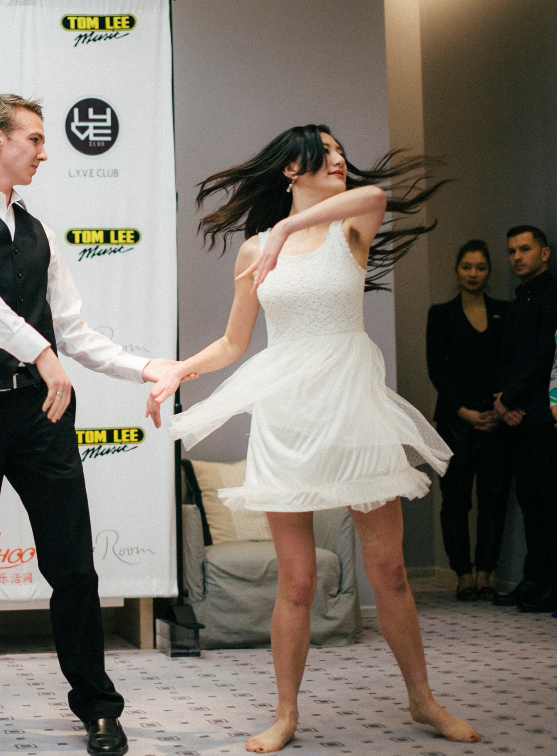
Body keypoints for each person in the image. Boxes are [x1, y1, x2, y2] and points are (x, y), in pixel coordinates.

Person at [144, 125, 479, 753]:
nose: (338, 159)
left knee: (390, 572)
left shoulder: (352, 227)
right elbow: (234, 343)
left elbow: (375, 195)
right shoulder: (254, 251)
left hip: (354, 411)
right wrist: (176, 372)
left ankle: (423, 700)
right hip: (289, 417)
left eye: (339, 151)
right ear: (290, 170)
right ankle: (285, 713)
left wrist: (290, 229)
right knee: (296, 581)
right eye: (323, 154)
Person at [0, 93, 176, 756]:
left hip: (40, 412)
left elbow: (74, 332)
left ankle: (98, 708)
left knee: (73, 565)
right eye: (33, 138)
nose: (43, 151)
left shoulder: (40, 231)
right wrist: (41, 353)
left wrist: (144, 367)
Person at [425, 240, 510, 601]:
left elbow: (511, 364)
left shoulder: (505, 312)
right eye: (467, 267)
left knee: (494, 499)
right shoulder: (440, 314)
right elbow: (437, 370)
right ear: (457, 271)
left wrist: (500, 408)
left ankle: (485, 573)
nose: (473, 274)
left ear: (488, 272)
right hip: (455, 421)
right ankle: (462, 574)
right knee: (456, 501)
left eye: (480, 267)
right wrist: (464, 412)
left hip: (497, 418)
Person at [491, 225, 557, 612]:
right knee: (530, 503)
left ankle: (550, 584)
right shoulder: (518, 300)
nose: (517, 257)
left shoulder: (552, 295)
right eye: (512, 251)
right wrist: (502, 403)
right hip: (516, 417)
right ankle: (532, 580)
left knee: (548, 502)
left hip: (543, 415)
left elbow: (544, 357)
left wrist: (510, 399)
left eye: (525, 249)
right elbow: (508, 358)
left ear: (544, 253)